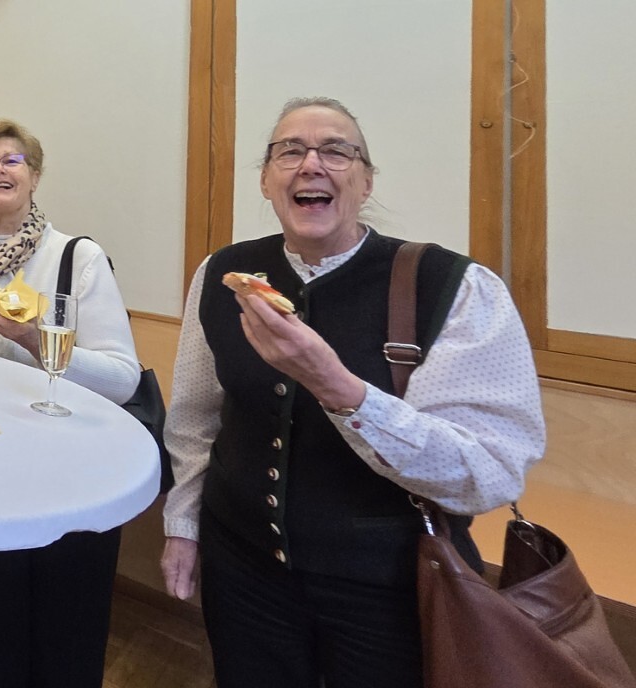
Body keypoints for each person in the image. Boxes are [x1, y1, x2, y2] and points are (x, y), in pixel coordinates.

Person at [159, 97, 546, 688]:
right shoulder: (222, 273)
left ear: (366, 182)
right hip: (242, 572)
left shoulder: (454, 286)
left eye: (337, 151)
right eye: (289, 150)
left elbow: (487, 474)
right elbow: (195, 419)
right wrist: (183, 525)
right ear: (266, 181)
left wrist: (338, 387)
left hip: (389, 589)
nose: (311, 164)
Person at [0, 118, 140, 688]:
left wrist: (32, 337)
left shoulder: (78, 258)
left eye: (12, 160)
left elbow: (122, 380)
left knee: (69, 646)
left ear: (35, 176)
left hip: (73, 477)